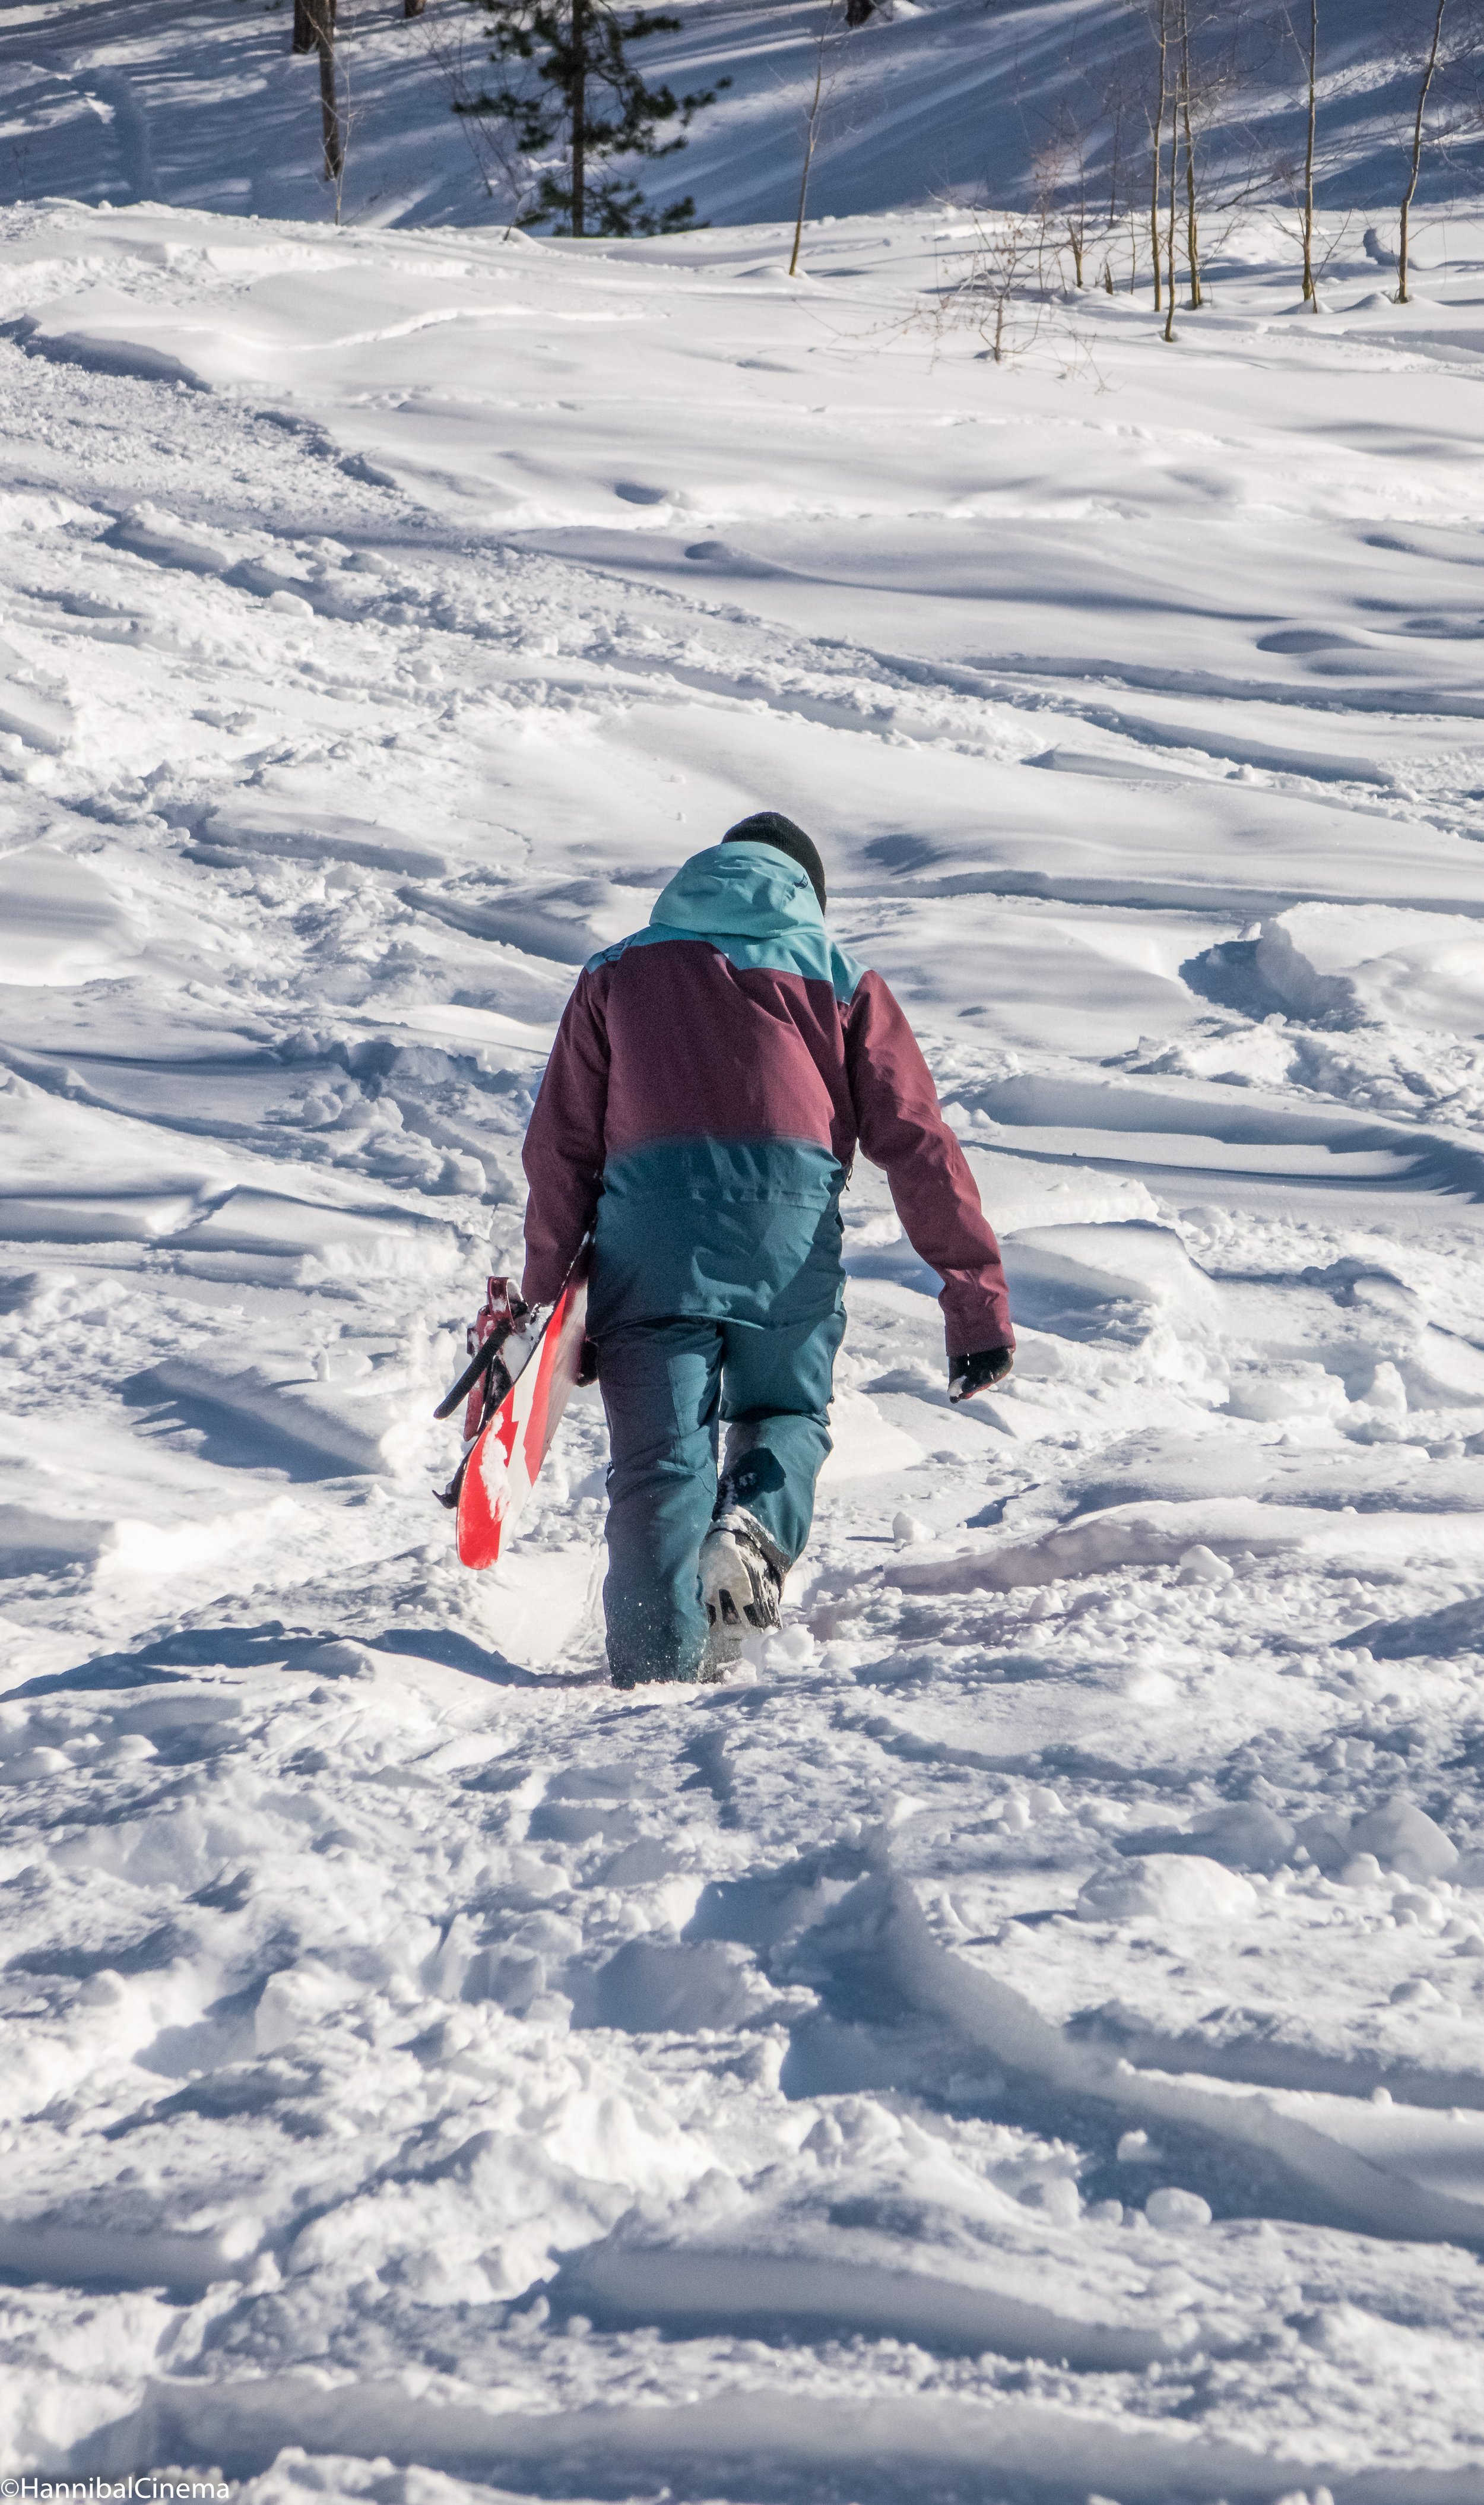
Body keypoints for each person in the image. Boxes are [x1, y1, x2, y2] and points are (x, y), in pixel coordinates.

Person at [520, 810, 1014, 1687]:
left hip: (652, 1250)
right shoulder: (841, 978)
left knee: (658, 1472)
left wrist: (548, 1300)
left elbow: (562, 1148)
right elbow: (919, 1143)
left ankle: (651, 1676)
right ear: (807, 896)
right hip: (787, 1249)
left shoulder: (615, 974)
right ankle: (752, 1530)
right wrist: (974, 1300)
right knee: (786, 1415)